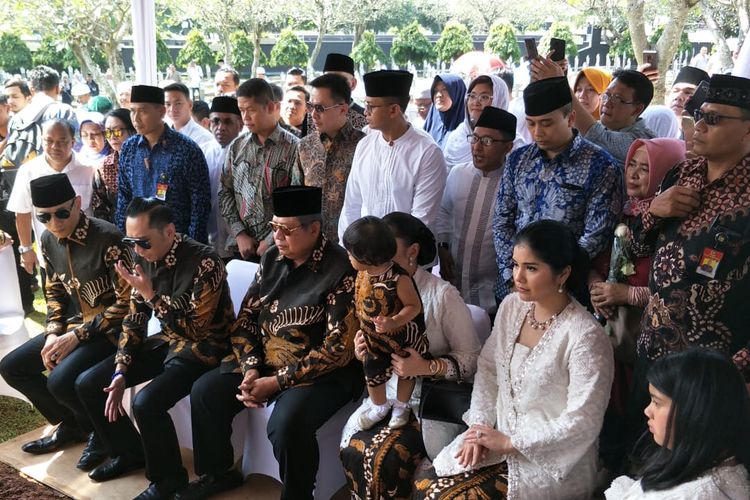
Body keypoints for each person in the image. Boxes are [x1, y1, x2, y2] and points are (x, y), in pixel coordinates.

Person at [179, 186, 363, 500]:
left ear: (314, 229)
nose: (277, 236)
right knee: (206, 391)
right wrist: (251, 369)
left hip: (321, 373)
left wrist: (276, 382)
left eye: (286, 230)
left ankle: (298, 495)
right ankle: (220, 472)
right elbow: (246, 319)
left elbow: (337, 350)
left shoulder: (340, 269)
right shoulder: (272, 258)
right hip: (266, 357)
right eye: (274, 227)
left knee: (287, 424)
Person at [412, 219, 614, 499]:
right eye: (516, 264)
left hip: (552, 462)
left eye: (531, 268)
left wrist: (512, 442)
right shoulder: (512, 307)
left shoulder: (585, 336)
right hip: (496, 435)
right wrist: (479, 428)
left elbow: (583, 421)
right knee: (427, 488)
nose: (517, 276)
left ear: (563, 274)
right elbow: (489, 369)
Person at [624, 74, 750, 458]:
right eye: (697, 114)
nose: (698, 125)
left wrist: (738, 373)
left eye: (713, 118)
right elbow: (630, 252)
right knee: (639, 464)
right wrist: (653, 212)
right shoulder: (682, 174)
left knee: (695, 475)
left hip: (711, 377)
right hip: (654, 354)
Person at [75, 197, 234, 498]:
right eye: (130, 241)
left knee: (146, 404)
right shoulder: (141, 257)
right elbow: (135, 321)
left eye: (143, 242)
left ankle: (168, 480)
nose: (136, 249)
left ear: (170, 232)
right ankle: (129, 452)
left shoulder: (206, 262)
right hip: (168, 341)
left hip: (206, 349)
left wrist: (150, 295)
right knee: (91, 383)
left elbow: (196, 330)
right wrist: (121, 370)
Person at [340, 212, 481, 498]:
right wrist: (361, 347)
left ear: (412, 252)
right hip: (386, 395)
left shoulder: (442, 295)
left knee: (386, 458)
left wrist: (424, 366)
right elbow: (368, 331)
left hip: (431, 402)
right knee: (357, 449)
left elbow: (471, 360)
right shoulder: (367, 280)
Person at [0, 174, 131, 471]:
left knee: (61, 381)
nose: (54, 223)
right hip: (74, 326)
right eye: (44, 216)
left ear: (78, 204)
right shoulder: (47, 238)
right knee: (12, 367)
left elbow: (128, 304)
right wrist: (52, 334)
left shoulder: (108, 238)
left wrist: (76, 337)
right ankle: (72, 424)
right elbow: (55, 292)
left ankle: (100, 432)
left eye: (61, 212)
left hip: (112, 330)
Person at [493, 77, 623, 302]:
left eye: (546, 123)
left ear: (570, 117)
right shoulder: (517, 160)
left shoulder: (600, 165)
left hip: (565, 289)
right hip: (513, 286)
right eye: (531, 123)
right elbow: (502, 221)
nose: (537, 132)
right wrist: (512, 273)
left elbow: (595, 237)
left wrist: (547, 278)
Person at [605, 349, 750, 499]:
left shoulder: (697, 494)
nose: (647, 411)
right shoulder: (700, 464)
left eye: (656, 402)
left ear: (696, 412)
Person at [338, 70, 447, 239]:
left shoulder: (427, 152)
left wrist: (386, 259)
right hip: (364, 252)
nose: (365, 112)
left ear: (394, 109)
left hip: (408, 256)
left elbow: (420, 220)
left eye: (371, 107)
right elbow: (352, 204)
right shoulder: (365, 143)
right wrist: (350, 248)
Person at [343, 216, 426, 429]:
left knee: (405, 370)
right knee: (372, 369)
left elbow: (414, 306)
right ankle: (379, 405)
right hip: (373, 335)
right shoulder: (363, 273)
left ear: (368, 257)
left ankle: (401, 405)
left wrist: (393, 321)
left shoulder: (400, 278)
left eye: (351, 253)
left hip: (401, 336)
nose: (348, 256)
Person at [437, 107, 516, 316]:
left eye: (488, 141)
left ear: (508, 146)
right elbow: (444, 213)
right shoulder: (458, 173)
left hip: (493, 295)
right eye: (474, 138)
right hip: (452, 284)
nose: (477, 147)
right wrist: (442, 247)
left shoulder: (513, 184)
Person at [115, 84, 211, 243]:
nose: (135, 118)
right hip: (138, 243)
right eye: (132, 111)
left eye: (143, 111)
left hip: (177, 245)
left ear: (161, 111)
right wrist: (123, 240)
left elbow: (200, 206)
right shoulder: (129, 148)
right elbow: (124, 197)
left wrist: (193, 249)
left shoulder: (186, 150)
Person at [219, 78, 298, 261]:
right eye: (242, 110)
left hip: (280, 248)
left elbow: (295, 201)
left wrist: (272, 238)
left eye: (251, 110)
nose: (245, 117)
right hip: (240, 248)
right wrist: (239, 234)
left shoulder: (294, 147)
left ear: (270, 107)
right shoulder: (237, 147)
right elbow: (224, 192)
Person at [7, 119, 94, 281]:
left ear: (73, 142)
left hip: (88, 255)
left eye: (62, 141)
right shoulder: (28, 171)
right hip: (50, 256)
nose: (55, 147)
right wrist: (26, 249)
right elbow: (22, 212)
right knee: (57, 304)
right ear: (41, 141)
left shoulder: (88, 168)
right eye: (49, 141)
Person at [292, 73, 366, 243]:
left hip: (352, 244)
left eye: (320, 108)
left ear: (343, 109)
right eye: (310, 106)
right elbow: (297, 196)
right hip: (311, 244)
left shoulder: (363, 146)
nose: (313, 114)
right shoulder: (305, 146)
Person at [443, 74, 511, 168]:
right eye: (472, 96)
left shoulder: (511, 142)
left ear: (499, 100)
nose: (476, 102)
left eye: (484, 97)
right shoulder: (457, 137)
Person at [206, 96, 243, 258]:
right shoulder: (202, 151)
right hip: (208, 239)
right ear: (209, 123)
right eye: (216, 121)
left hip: (239, 241)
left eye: (227, 122)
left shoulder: (246, 152)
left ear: (240, 124)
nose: (220, 127)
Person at [91, 108, 136, 222]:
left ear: (133, 130)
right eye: (107, 132)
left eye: (117, 131)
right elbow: (100, 207)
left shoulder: (148, 161)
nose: (112, 137)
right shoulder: (104, 167)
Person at [163, 82, 220, 154]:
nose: (172, 109)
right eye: (168, 104)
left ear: (190, 105)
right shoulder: (163, 135)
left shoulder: (203, 138)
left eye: (178, 103)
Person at [321, 53, 368, 129]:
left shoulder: (366, 119)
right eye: (328, 80)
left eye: (341, 80)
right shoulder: (312, 116)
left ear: (353, 84)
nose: (334, 85)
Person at [423, 74, 467, 149]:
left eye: (445, 89)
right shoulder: (431, 123)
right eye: (435, 91)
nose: (439, 95)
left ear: (458, 93)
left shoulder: (467, 130)